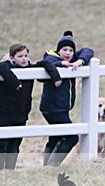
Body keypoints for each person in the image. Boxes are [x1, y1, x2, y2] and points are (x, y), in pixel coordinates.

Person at [0, 43, 61, 170]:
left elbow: (45, 64)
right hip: (5, 113)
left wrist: (55, 77)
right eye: (20, 56)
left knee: (15, 144)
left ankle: (9, 171)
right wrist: (15, 83)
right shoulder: (6, 66)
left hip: (21, 113)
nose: (24, 59)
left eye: (25, 55)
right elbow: (0, 67)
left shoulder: (30, 68)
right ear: (12, 57)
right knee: (2, 143)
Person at [39, 31, 95, 166]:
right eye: (64, 49)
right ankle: (53, 165)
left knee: (55, 137)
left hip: (62, 108)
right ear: (58, 50)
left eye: (71, 50)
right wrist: (61, 64)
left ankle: (47, 167)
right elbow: (47, 62)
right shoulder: (51, 58)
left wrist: (80, 61)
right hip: (53, 108)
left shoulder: (72, 59)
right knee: (72, 137)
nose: (68, 53)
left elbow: (89, 51)